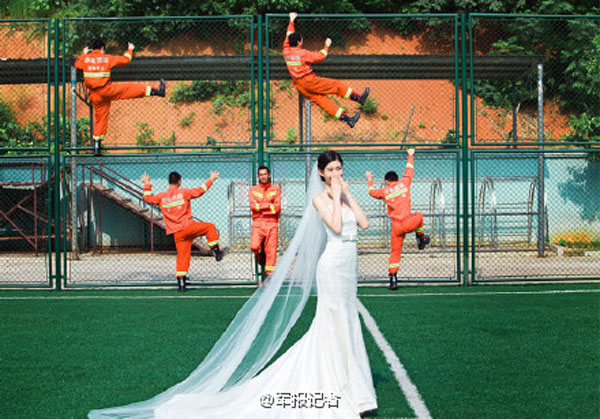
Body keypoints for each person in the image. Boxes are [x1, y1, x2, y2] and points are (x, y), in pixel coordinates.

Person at [89, 151, 377, 418]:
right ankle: (336, 382)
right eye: (331, 169)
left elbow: (362, 224)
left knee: (347, 320)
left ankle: (354, 386)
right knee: (333, 321)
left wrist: (349, 196)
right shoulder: (319, 200)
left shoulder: (343, 195)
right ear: (322, 173)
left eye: (339, 168)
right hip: (332, 265)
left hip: (348, 266)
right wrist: (336, 195)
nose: (337, 173)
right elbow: (336, 228)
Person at [75, 39, 166, 156]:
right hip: (107, 90)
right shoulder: (107, 58)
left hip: (95, 95)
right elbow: (125, 60)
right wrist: (130, 49)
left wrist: (83, 53)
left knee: (99, 119)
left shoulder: (85, 59)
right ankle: (156, 91)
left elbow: (77, 65)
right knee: (128, 89)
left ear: (92, 49)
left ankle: (97, 146)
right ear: (102, 48)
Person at [141, 171, 224, 292]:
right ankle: (216, 251)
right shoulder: (183, 192)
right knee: (210, 227)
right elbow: (200, 191)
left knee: (182, 257)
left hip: (177, 233)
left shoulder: (161, 197)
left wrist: (147, 183)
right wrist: (211, 179)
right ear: (179, 181)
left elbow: (147, 198)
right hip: (189, 227)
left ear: (169, 182)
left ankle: (181, 283)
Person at [284, 12, 370, 128]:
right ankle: (359, 98)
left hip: (300, 85)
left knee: (324, 102)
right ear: (299, 42)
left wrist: (291, 20)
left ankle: (348, 120)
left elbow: (289, 34)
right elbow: (320, 56)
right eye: (302, 40)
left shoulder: (286, 50)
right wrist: (326, 46)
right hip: (309, 81)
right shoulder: (302, 54)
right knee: (336, 85)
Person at [366, 148, 430, 290]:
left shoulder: (384, 191)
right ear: (396, 179)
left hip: (396, 227)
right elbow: (409, 170)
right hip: (409, 221)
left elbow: (371, 192)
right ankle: (421, 238)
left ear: (387, 181)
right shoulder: (404, 183)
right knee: (419, 215)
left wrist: (370, 179)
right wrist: (410, 155)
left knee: (395, 252)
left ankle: (393, 278)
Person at [248, 166, 281, 278]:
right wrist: (268, 206)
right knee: (254, 246)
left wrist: (260, 208)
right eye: (261, 175)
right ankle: (260, 256)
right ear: (258, 177)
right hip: (258, 223)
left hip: (272, 223)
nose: (263, 176)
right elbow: (253, 207)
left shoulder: (276, 189)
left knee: (271, 251)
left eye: (265, 174)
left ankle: (269, 279)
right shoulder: (253, 190)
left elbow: (277, 208)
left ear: (269, 175)